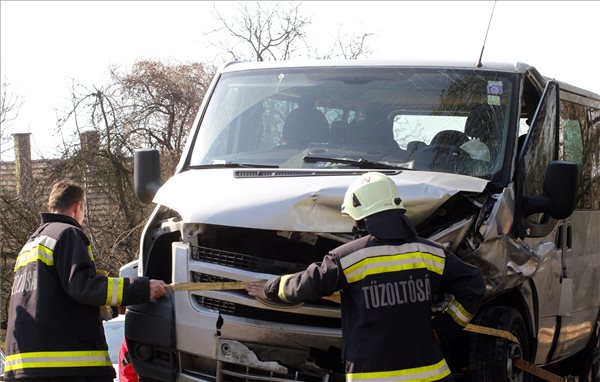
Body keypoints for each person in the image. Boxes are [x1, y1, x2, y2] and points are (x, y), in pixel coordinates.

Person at [246, 172, 485, 381]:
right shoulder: (432, 253)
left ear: (361, 215)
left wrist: (270, 288)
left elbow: (307, 284)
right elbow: (474, 285)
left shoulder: (349, 257)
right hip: (431, 374)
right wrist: (445, 327)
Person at [3, 180, 168, 382]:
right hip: (66, 368)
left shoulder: (30, 245)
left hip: (23, 367)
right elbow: (83, 286)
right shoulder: (67, 233)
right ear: (78, 206)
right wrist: (142, 288)